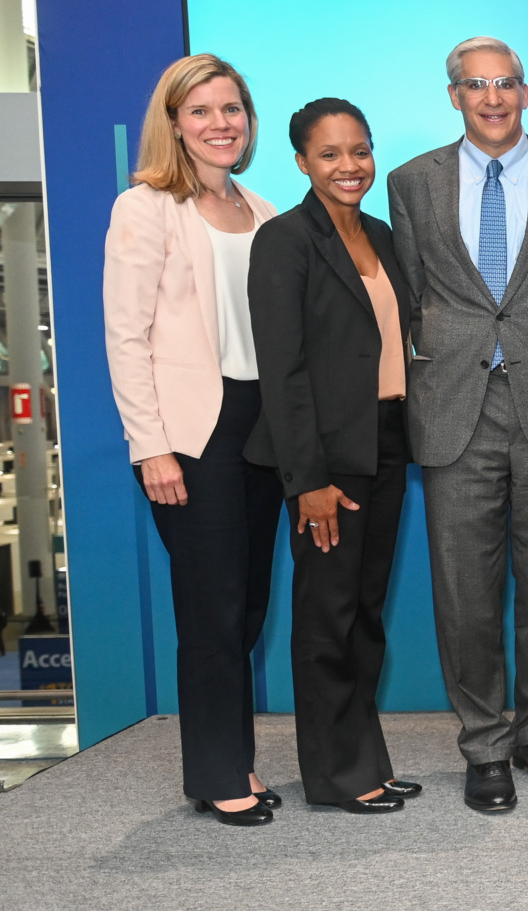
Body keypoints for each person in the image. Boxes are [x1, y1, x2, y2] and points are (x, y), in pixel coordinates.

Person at [386, 37, 528, 813]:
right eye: (475, 85)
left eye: (506, 82)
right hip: (454, 406)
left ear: (526, 90)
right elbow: (414, 295)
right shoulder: (411, 181)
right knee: (464, 589)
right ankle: (484, 742)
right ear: (453, 96)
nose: (492, 97)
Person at [103, 55, 282, 826]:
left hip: (264, 427)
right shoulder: (146, 207)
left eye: (232, 108)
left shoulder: (266, 209)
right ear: (173, 122)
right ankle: (216, 773)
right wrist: (152, 446)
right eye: (202, 110)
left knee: (246, 608)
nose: (220, 123)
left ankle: (229, 757)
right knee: (210, 610)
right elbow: (126, 334)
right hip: (192, 434)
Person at [245, 99, 416, 814]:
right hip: (327, 458)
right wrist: (307, 480)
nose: (350, 166)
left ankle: (362, 758)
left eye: (360, 150)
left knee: (364, 612)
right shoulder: (284, 240)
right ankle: (335, 774)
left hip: (387, 441)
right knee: (327, 615)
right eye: (330, 154)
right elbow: (280, 371)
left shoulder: (379, 234)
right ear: (301, 162)